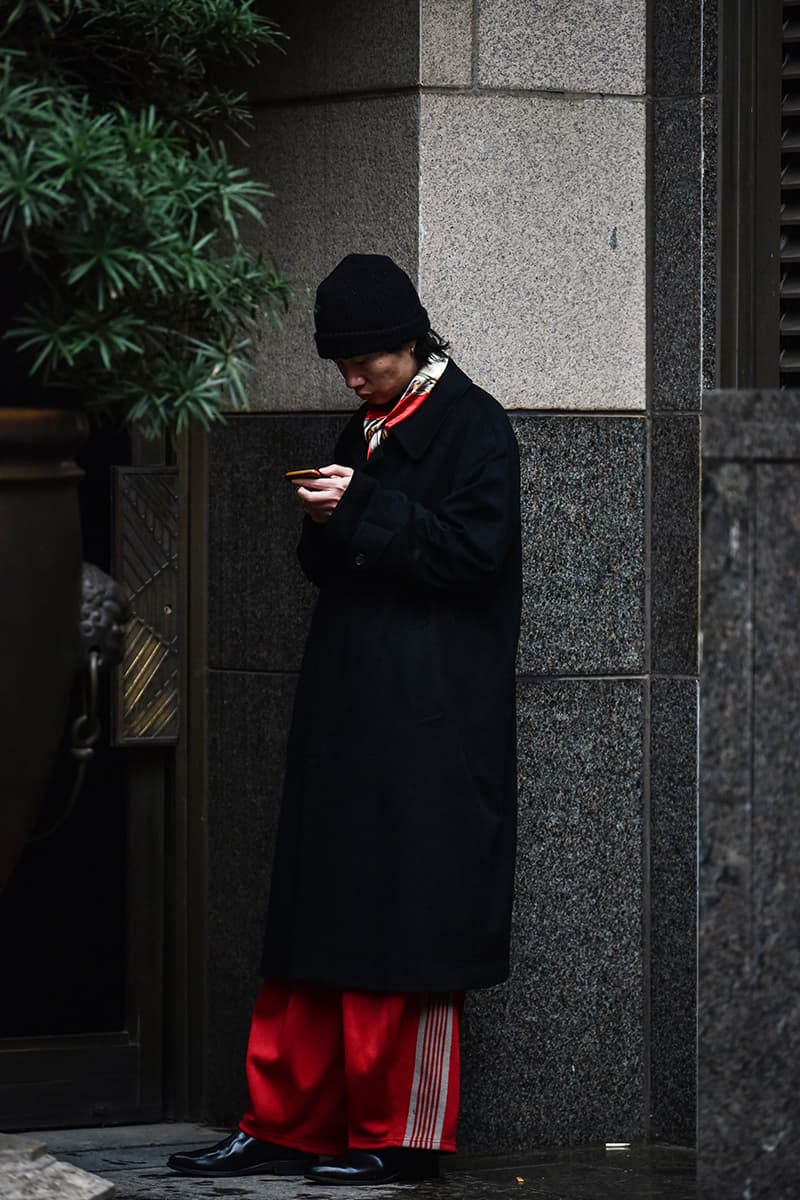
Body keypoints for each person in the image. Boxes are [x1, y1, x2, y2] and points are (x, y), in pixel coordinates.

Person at [167, 254, 522, 1186]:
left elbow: (477, 559)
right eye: (343, 363)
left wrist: (361, 505)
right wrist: (332, 517)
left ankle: (398, 1139)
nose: (352, 377)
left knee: (404, 925)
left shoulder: (475, 427)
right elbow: (331, 562)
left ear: (412, 340)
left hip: (433, 724)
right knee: (312, 920)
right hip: (346, 709)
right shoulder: (368, 423)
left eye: (365, 359)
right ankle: (283, 1122)